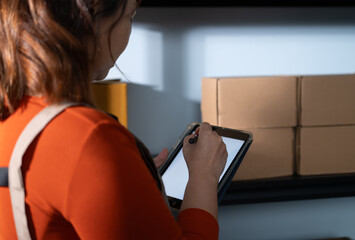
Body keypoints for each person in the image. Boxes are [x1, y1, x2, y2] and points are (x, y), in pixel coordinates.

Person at [0, 0, 228, 239]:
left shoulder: (11, 113)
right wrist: (204, 177)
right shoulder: (90, 138)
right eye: (130, 17)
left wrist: (128, 172)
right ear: (92, 22)